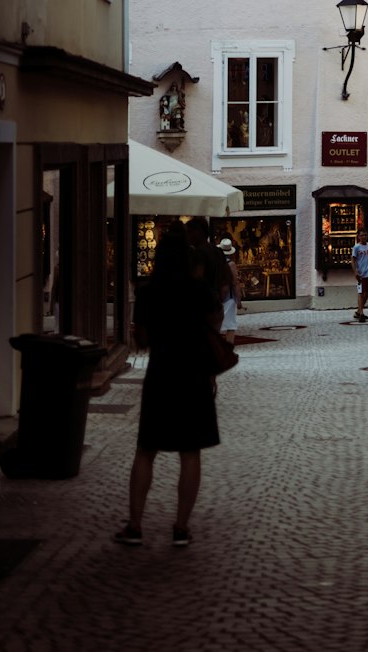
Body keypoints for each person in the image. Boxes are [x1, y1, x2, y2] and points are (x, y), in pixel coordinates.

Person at [115, 222, 221, 548]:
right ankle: (181, 527)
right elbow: (215, 322)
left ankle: (135, 525)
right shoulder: (199, 290)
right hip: (194, 376)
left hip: (161, 375)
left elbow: (142, 340)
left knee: (146, 450)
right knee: (190, 453)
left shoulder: (149, 292)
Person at [217, 237, 239, 345]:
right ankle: (229, 348)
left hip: (217, 297)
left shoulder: (216, 263)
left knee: (217, 324)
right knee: (230, 325)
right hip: (229, 297)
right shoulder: (231, 264)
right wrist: (239, 300)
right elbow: (234, 283)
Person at [350, 226, 368, 322]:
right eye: (362, 235)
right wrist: (355, 272)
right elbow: (353, 260)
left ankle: (359, 310)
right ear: (358, 236)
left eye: (365, 235)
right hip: (361, 273)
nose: (364, 237)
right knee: (361, 292)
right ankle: (361, 313)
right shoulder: (356, 247)